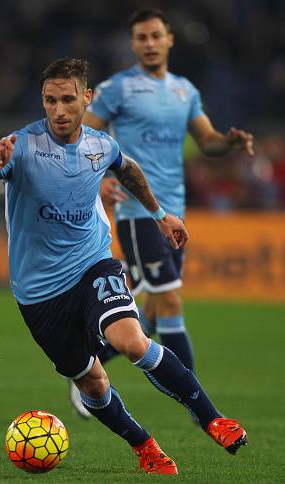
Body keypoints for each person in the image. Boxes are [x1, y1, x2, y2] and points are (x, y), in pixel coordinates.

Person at [0, 57, 248, 475]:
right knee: (92, 382)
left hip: (94, 264)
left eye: (68, 100)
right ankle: (143, 444)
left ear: (85, 98)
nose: (58, 110)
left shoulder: (100, 145)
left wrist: (160, 215)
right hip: (38, 293)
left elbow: (129, 170)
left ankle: (214, 418)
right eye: (49, 100)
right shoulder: (19, 147)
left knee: (131, 341)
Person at [76, 8, 255, 415]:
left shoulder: (184, 91)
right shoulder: (117, 88)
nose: (150, 44)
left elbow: (206, 139)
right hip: (139, 212)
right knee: (170, 301)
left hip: (175, 212)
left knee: (153, 313)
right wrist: (100, 177)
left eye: (156, 36)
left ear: (170, 39)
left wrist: (227, 142)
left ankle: (90, 369)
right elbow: (82, 136)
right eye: (141, 37)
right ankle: (200, 409)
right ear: (134, 44)